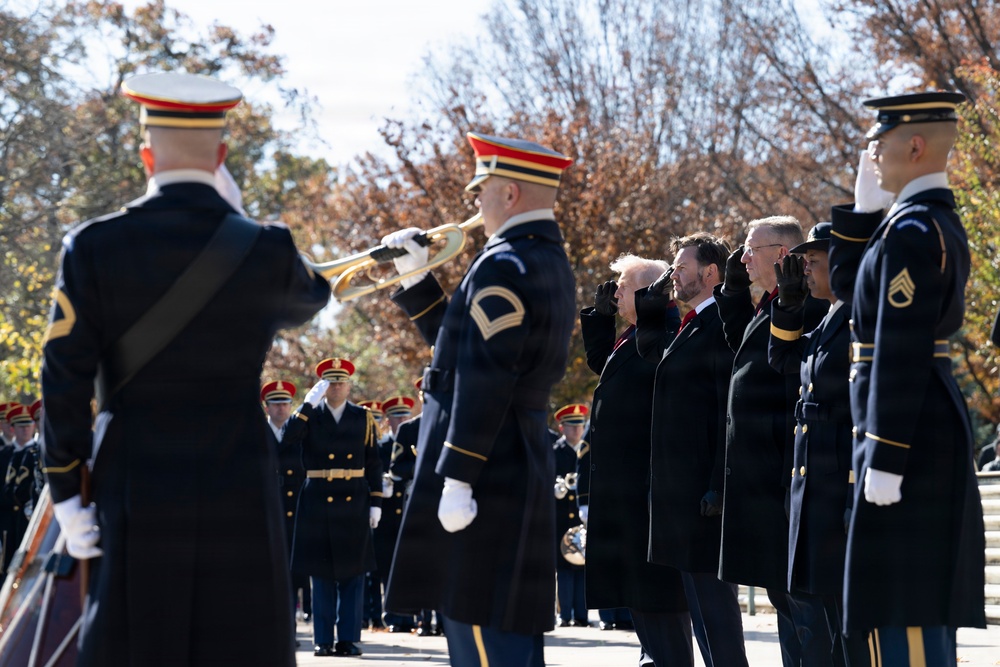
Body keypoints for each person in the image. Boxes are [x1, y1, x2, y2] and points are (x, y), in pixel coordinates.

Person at [39, 71, 331, 666]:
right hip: (238, 478)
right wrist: (243, 219)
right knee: (240, 645)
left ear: (145, 156)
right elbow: (313, 295)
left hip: (136, 476)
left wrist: (66, 488)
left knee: (136, 642)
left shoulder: (93, 245)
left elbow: (62, 373)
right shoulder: (266, 247)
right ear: (222, 159)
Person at [380, 132, 576, 666]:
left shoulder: (503, 264)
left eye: (480, 191)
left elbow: (486, 376)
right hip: (512, 458)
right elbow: (466, 351)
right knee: (503, 634)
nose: (475, 202)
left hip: (488, 471)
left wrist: (459, 476)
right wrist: (416, 278)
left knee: (483, 636)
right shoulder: (541, 259)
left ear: (509, 194)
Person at [827, 91, 986, 664]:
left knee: (906, 614)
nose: (870, 153)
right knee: (890, 610)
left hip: (910, 437)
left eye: (880, 141)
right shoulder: (906, 225)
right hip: (908, 430)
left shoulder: (915, 231)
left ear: (915, 146)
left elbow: (900, 347)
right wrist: (862, 217)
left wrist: (887, 453)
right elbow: (855, 299)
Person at [634, 233, 749, 667]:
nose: (674, 275)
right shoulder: (693, 323)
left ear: (711, 272)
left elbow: (725, 411)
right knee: (702, 615)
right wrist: (651, 306)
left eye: (682, 267)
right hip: (683, 495)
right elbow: (653, 353)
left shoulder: (720, 323)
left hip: (704, 495)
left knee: (716, 619)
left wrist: (718, 484)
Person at [714, 216, 823, 667]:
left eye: (750, 250)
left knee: (802, 605)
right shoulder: (772, 303)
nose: (742, 258)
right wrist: (734, 291)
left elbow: (792, 380)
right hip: (760, 474)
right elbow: (741, 344)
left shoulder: (806, 303)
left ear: (781, 255)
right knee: (782, 597)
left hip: (782, 471)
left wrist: (784, 476)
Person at [581, 253, 693, 666]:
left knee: (658, 601)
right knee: (641, 599)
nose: (616, 294)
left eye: (624, 287)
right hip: (627, 490)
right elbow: (606, 368)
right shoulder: (632, 335)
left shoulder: (664, 331)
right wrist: (600, 318)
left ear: (649, 292)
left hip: (647, 490)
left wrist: (649, 311)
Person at [768, 223, 871, 666]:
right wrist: (788, 306)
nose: (805, 269)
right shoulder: (829, 318)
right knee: (821, 618)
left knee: (849, 627)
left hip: (838, 488)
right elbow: (783, 359)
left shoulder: (859, 319)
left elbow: (864, 412)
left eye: (813, 261)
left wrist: (853, 496)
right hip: (813, 490)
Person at [281, 358, 383, 657]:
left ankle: (348, 639)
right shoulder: (310, 415)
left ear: (349, 386)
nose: (336, 387)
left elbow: (374, 462)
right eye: (331, 382)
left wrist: (376, 502)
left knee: (353, 574)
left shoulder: (363, 417)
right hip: (318, 499)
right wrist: (305, 406)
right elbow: (287, 438)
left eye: (341, 382)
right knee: (321, 573)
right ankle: (323, 640)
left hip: (353, 498)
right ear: (322, 387)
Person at [261, 380, 312, 625]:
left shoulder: (299, 433)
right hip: (268, 511)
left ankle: (290, 625)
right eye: (276, 404)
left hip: (295, 511)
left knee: (294, 571)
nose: (281, 408)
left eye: (285, 403)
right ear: (267, 407)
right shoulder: (259, 434)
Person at [552, 403, 589, 628]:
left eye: (580, 426)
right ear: (561, 427)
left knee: (583, 567)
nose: (576, 430)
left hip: (582, 518)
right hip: (561, 518)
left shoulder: (587, 450)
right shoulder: (555, 452)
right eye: (571, 426)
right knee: (564, 569)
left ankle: (582, 616)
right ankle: (565, 615)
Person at [1, 403, 44, 570]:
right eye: (21, 426)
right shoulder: (5, 454)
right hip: (7, 518)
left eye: (28, 425)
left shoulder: (36, 451)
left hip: (28, 517)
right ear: (13, 428)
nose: (26, 430)